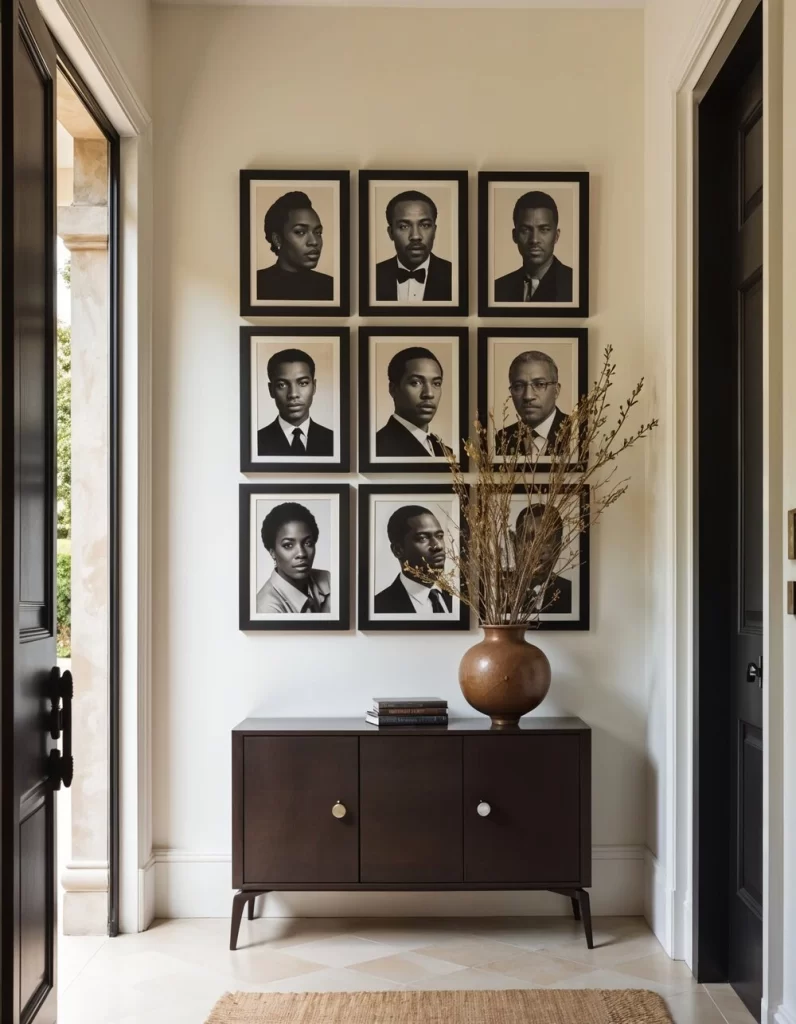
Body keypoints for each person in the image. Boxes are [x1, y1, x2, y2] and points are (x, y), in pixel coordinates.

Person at [494, 191, 573, 303]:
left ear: (556, 236)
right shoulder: (497, 289)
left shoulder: (576, 285)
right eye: (525, 230)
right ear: (514, 235)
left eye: (544, 229)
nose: (534, 239)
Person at [375, 190, 453, 302]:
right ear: (390, 233)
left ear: (434, 231)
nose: (415, 236)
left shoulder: (455, 276)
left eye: (425, 225)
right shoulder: (371, 276)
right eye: (404, 226)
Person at [375, 347, 453, 458]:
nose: (429, 394)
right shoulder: (377, 448)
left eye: (436, 383)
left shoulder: (447, 452)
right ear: (393, 389)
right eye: (415, 382)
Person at [256, 191, 334, 301]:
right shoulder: (255, 284)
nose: (314, 241)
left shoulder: (331, 286)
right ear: (277, 239)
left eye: (318, 232)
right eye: (300, 232)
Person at [375, 505, 452, 614]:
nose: (438, 546)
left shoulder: (461, 603)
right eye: (422, 538)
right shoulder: (378, 607)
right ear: (398, 550)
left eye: (439, 536)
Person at [256, 502, 331, 614]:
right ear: (272, 552)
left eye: (308, 543)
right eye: (288, 545)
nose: (301, 553)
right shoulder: (266, 608)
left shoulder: (329, 579)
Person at [257, 348, 334, 457]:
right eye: (282, 385)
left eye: (303, 383)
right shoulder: (255, 442)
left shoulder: (334, 440)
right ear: (271, 390)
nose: (293, 394)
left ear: (314, 386)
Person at [495, 350, 569, 457]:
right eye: (518, 386)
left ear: (556, 391)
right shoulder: (502, 438)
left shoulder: (578, 432)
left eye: (539, 384)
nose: (528, 396)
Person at [514, 503, 572, 614]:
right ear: (517, 545)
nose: (537, 550)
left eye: (547, 539)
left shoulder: (570, 593)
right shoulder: (499, 592)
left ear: (559, 546)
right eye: (529, 539)